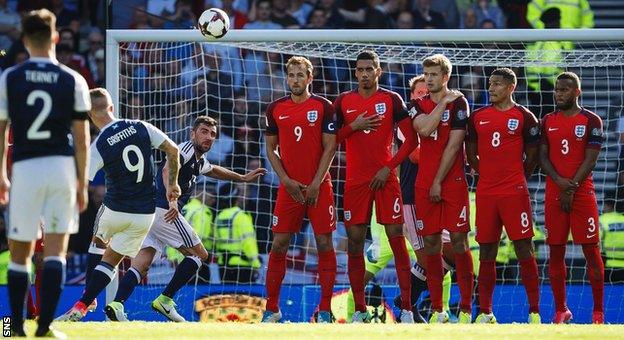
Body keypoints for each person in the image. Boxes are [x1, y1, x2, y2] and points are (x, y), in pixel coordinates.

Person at [105, 116, 266, 322]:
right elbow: (167, 169)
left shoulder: (198, 159)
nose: (208, 137)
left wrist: (241, 177)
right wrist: (172, 199)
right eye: (204, 132)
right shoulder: (185, 149)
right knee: (200, 255)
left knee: (141, 265)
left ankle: (117, 305)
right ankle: (165, 299)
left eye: (212, 134)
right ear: (193, 133)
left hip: (149, 213)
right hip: (165, 211)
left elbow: (215, 170)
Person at [0, 9, 90, 337]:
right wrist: (81, 182)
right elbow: (82, 139)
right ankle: (46, 327)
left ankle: (18, 330)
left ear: (23, 40)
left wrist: (1, 175)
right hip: (61, 169)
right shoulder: (73, 79)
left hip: (24, 167)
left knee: (20, 253)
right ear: (55, 37)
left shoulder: (10, 77)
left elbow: (1, 131)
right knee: (54, 252)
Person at [55, 88, 181, 321]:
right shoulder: (142, 126)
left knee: (98, 241)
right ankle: (83, 305)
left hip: (115, 209)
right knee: (112, 261)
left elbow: (81, 181)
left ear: (90, 116)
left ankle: (87, 299)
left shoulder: (99, 145)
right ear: (111, 108)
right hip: (145, 213)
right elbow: (173, 151)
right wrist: (172, 183)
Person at [334, 50, 417, 323]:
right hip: (355, 182)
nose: (365, 73)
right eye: (361, 69)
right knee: (355, 244)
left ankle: (406, 308)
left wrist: (389, 167)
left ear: (379, 71)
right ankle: (359, 310)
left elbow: (411, 141)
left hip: (386, 179)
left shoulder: (391, 100)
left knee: (397, 241)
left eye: (370, 69)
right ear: (355, 73)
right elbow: (332, 139)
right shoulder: (344, 102)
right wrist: (353, 126)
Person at [262, 56, 337, 323]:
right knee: (279, 243)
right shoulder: (274, 109)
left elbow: (331, 146)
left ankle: (326, 309)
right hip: (289, 188)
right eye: (291, 75)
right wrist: (286, 180)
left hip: (320, 185)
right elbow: (271, 149)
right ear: (287, 77)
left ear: (309, 77)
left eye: (300, 75)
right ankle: (271, 308)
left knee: (325, 243)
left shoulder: (323, 106)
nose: (295, 79)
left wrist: (317, 183)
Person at [466, 68, 541, 324]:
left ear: (511, 87)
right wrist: (484, 173)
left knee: (523, 247)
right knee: (487, 250)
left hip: (514, 191)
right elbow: (470, 152)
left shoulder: (524, 116)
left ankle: (534, 312)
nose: (491, 88)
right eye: (490, 84)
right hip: (486, 192)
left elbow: (533, 154)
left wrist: (519, 177)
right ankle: (485, 312)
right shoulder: (477, 117)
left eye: (497, 84)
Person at [410, 54, 474, 324]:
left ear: (445, 76)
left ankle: (468, 309)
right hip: (424, 183)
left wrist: (438, 180)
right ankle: (438, 309)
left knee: (459, 242)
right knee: (432, 245)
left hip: (452, 182)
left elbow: (453, 145)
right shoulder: (417, 103)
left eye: (434, 74)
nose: (429, 79)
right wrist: (441, 104)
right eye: (426, 74)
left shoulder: (460, 102)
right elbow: (423, 130)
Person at [539, 72, 604, 324]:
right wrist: (560, 183)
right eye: (557, 90)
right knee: (555, 250)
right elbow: (543, 156)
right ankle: (560, 310)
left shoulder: (591, 120)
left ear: (577, 92)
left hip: (581, 193)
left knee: (591, 250)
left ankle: (598, 312)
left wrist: (571, 186)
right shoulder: (547, 120)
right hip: (555, 192)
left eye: (564, 90)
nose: (559, 94)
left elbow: (591, 158)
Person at [213, 182, 261, 283]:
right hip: (242, 265)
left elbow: (216, 241)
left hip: (223, 266)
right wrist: (256, 264)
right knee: (244, 297)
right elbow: (248, 242)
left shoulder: (219, 216)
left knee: (227, 296)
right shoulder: (241, 216)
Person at [600, 198, 624, 283]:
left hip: (610, 264)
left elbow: (597, 240)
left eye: (604, 206)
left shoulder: (602, 219)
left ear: (608, 206)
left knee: (610, 292)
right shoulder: (622, 218)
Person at [526, 0, 593, 29]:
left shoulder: (581, 1)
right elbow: (532, 15)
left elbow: (588, 19)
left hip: (569, 44)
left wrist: (579, 35)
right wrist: (545, 28)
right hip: (546, 42)